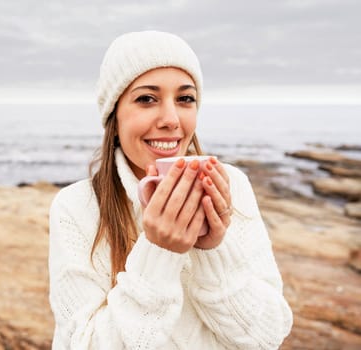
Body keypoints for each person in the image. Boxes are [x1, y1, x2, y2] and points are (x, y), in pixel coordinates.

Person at [48, 30, 293, 349]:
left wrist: (213, 250)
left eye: (185, 99)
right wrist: (159, 252)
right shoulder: (75, 207)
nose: (171, 119)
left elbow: (267, 336)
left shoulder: (231, 186)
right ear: (114, 115)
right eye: (146, 99)